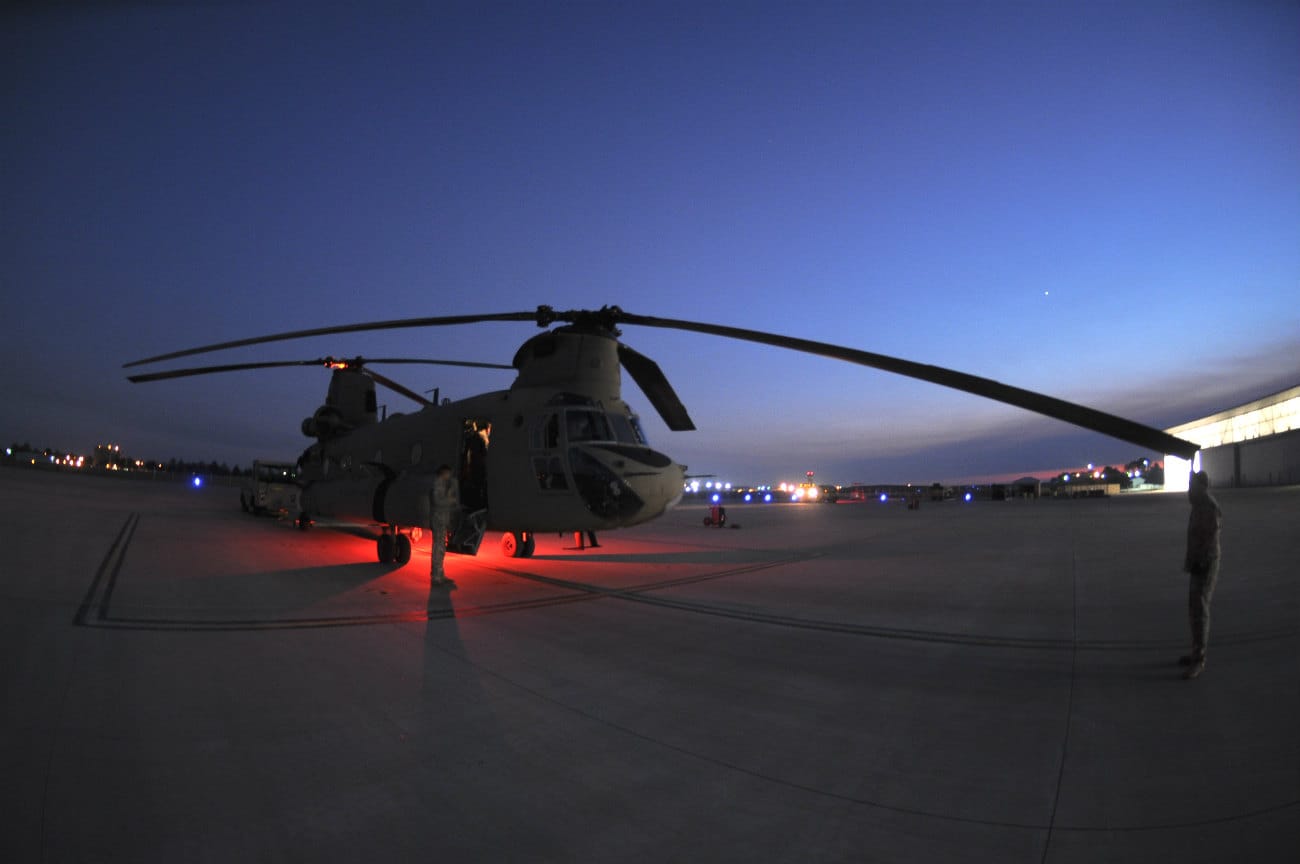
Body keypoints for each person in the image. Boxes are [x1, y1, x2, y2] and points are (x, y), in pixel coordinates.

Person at [1180, 470, 1221, 679]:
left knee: (1200, 610)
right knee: (1193, 609)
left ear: (1200, 487)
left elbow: (1209, 540)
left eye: (1191, 486)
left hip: (1205, 564)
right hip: (1197, 563)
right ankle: (1195, 651)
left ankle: (1199, 659)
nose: (1189, 491)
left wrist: (1202, 562)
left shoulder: (1208, 506)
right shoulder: (1197, 504)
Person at [427, 464, 460, 589]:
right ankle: (436, 576)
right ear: (443, 473)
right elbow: (438, 501)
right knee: (438, 548)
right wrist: (450, 500)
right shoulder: (438, 484)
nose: (449, 476)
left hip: (442, 520)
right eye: (448, 473)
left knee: (441, 548)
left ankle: (440, 574)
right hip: (438, 520)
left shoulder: (444, 484)